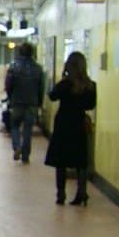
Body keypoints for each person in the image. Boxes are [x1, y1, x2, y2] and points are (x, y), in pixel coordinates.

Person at [44, 51, 97, 205]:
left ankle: (61, 194)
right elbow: (91, 105)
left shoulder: (65, 84)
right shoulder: (91, 86)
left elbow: (52, 96)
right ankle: (82, 192)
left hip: (63, 124)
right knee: (80, 161)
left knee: (61, 161)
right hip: (79, 124)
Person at [4, 42, 44, 163]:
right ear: (32, 53)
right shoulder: (38, 69)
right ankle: (25, 156)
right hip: (32, 103)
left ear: (19, 52)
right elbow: (40, 88)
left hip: (17, 102)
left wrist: (10, 98)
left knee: (15, 126)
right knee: (28, 130)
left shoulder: (13, 67)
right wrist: (39, 103)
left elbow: (8, 85)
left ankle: (17, 147)